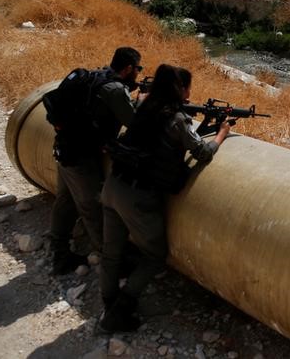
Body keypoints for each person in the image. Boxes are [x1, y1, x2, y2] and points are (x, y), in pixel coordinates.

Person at [99, 64, 230, 333]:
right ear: (180, 89)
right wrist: (221, 134)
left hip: (112, 186)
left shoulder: (143, 106)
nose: (190, 91)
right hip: (137, 196)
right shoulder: (177, 119)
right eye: (187, 87)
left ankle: (108, 302)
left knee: (111, 252)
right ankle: (120, 310)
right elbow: (203, 152)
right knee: (155, 255)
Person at [49, 47, 143, 275]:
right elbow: (134, 123)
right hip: (81, 157)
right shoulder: (114, 89)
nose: (138, 73)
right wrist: (140, 102)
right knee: (92, 207)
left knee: (65, 201)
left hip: (65, 148)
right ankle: (113, 263)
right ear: (129, 68)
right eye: (138, 69)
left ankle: (59, 252)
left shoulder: (94, 77)